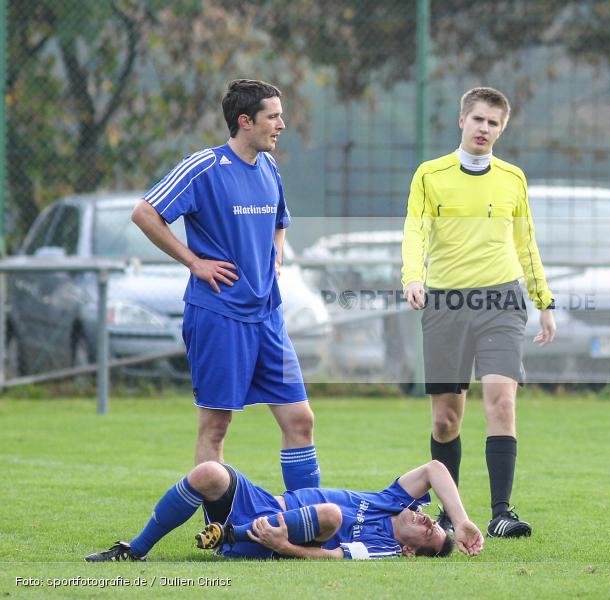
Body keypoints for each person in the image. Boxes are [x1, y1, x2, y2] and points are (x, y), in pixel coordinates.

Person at [131, 79, 320, 491]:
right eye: (274, 116)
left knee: (300, 420)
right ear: (245, 121)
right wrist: (194, 262)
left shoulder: (269, 167)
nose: (282, 125)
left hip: (267, 316)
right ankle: (217, 529)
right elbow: (145, 213)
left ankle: (306, 520)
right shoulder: (203, 167)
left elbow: (280, 222)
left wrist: (276, 255)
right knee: (216, 426)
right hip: (219, 314)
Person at [401, 87, 556, 539]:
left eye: (493, 123)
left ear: (502, 129)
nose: (484, 129)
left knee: (502, 403)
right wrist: (413, 275)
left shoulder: (513, 179)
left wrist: (543, 301)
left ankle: (502, 512)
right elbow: (416, 231)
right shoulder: (430, 175)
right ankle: (449, 512)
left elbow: (526, 244)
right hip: (446, 304)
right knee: (445, 419)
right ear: (462, 121)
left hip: (502, 302)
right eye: (478, 120)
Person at [84, 460, 483, 561]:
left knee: (330, 516)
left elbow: (331, 557)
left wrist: (284, 545)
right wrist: (460, 521)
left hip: (273, 537)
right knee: (208, 473)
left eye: (431, 533)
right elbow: (435, 469)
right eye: (434, 521)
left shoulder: (386, 547)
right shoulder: (393, 500)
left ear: (411, 551)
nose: (430, 521)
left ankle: (231, 536)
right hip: (262, 503)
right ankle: (134, 549)